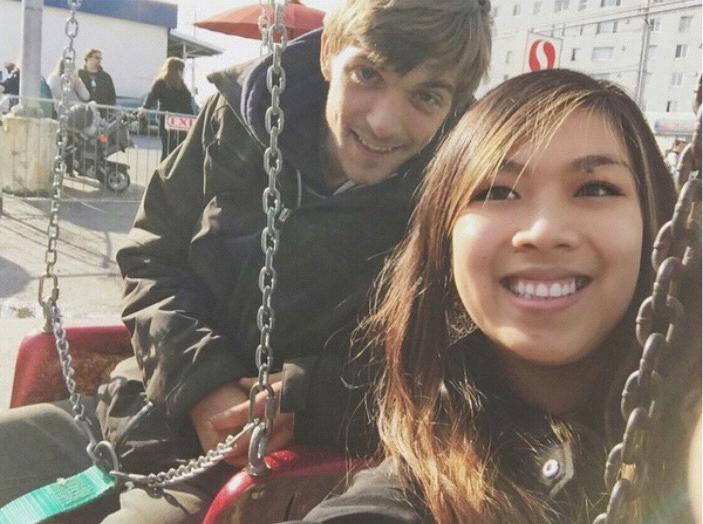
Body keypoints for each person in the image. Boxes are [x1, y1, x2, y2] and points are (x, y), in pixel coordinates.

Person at [0, 1, 493, 522]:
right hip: (141, 402)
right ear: (329, 52)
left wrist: (304, 397)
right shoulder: (237, 119)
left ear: (454, 105)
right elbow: (152, 254)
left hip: (263, 473)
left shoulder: (459, 203)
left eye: (426, 96)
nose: (384, 121)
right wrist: (200, 382)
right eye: (367, 74)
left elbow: (456, 362)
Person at [291, 69, 701, 523]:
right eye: (498, 192)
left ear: (656, 223)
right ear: (444, 240)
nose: (543, 232)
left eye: (596, 188)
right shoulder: (402, 500)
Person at [139, 57, 195, 160]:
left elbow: (151, 97)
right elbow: (152, 97)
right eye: (181, 70)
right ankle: (166, 168)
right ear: (175, 70)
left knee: (173, 148)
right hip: (170, 120)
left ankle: (168, 168)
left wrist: (192, 119)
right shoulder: (163, 83)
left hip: (176, 121)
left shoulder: (180, 85)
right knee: (170, 148)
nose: (182, 73)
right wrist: (145, 108)